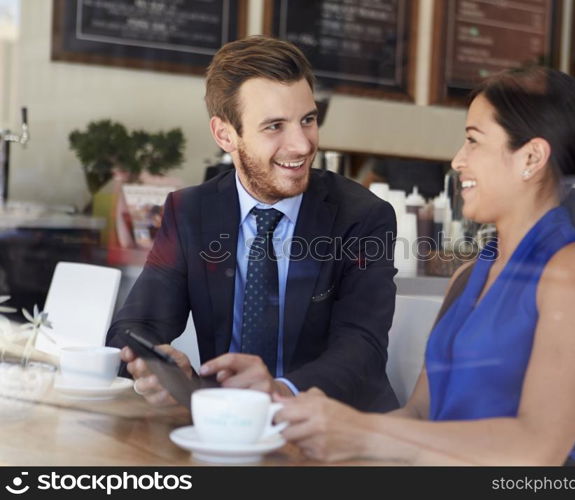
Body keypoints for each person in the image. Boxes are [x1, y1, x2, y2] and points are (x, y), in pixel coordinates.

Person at [274, 66, 575, 466]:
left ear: (531, 157)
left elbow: (536, 449)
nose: (458, 160)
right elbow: (421, 413)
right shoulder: (469, 276)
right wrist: (331, 436)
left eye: (473, 141)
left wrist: (362, 432)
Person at [106, 36, 399, 412]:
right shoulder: (190, 211)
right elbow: (133, 327)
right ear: (225, 134)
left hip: (338, 430)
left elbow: (362, 348)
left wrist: (280, 390)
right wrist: (157, 368)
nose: (302, 145)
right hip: (228, 426)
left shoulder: (363, 217)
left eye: (308, 120)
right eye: (275, 126)